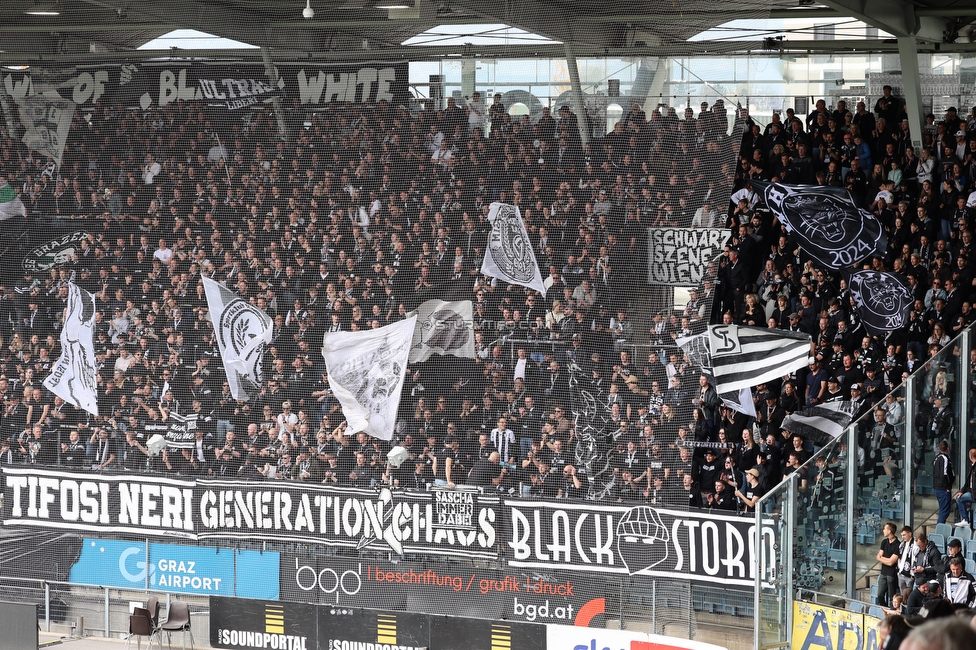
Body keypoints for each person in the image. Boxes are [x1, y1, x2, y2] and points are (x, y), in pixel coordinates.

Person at [877, 522, 902, 607]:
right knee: (879, 595)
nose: (883, 530)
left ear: (890, 531)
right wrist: (887, 560)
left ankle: (892, 611)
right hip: (883, 572)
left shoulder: (898, 544)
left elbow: (891, 562)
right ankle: (885, 609)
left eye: (885, 529)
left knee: (892, 596)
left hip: (892, 574)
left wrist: (882, 558)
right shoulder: (884, 542)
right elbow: (878, 556)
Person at [934, 440, 957, 524]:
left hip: (937, 487)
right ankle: (939, 528)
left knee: (943, 510)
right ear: (947, 448)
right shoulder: (944, 458)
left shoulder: (936, 458)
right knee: (944, 511)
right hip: (943, 488)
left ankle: (940, 527)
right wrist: (948, 487)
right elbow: (944, 474)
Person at [954, 447, 976, 527]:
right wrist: (962, 491)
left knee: (959, 499)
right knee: (959, 497)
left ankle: (965, 520)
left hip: (974, 494)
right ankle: (965, 520)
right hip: (972, 492)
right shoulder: (973, 467)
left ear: (970, 457)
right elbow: (967, 483)